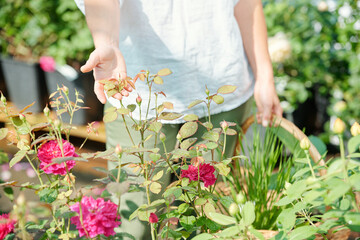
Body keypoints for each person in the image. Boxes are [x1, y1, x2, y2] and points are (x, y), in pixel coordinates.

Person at [74, 0, 282, 239]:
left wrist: (265, 75)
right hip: (135, 90)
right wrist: (107, 44)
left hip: (221, 85)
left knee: (209, 217)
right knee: (133, 220)